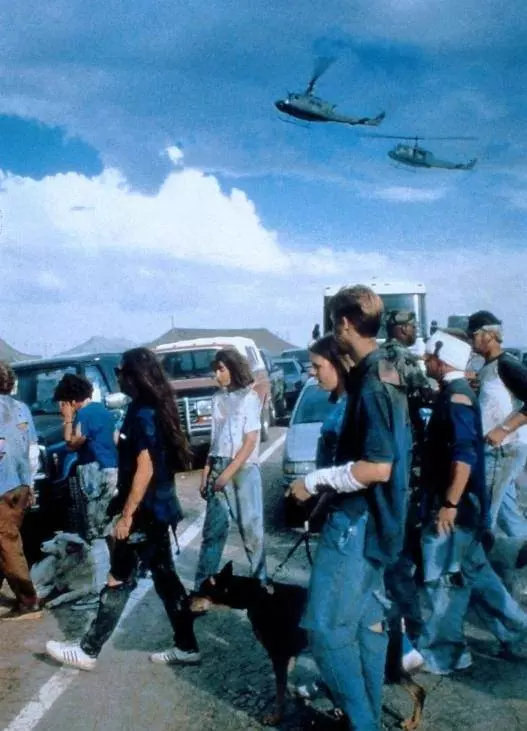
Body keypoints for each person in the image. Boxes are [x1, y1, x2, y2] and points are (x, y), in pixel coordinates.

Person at [289, 285, 408, 731]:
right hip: (380, 523)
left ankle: (363, 724)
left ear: (343, 323)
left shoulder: (372, 384)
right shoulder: (385, 372)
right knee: (365, 624)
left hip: (358, 522)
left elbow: (377, 467)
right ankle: (368, 718)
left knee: (324, 631)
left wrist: (313, 482)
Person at [46, 347, 200, 669]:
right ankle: (187, 646)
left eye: (120, 371)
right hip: (159, 507)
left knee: (119, 577)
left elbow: (146, 466)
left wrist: (127, 516)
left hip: (146, 511)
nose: (116, 377)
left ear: (134, 375)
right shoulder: (149, 407)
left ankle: (88, 650)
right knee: (165, 577)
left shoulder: (143, 413)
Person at [418, 331, 527, 675]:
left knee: (442, 582)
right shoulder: (453, 393)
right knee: (479, 578)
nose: (425, 362)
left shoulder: (457, 398)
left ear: (441, 360)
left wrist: (450, 504)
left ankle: (446, 654)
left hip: (456, 509)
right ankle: (521, 635)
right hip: (463, 507)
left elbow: (464, 456)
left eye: (429, 358)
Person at [193, 348, 266, 592]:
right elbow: (215, 439)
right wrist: (206, 472)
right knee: (212, 533)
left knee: (251, 532)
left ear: (234, 369)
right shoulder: (217, 399)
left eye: (221, 369)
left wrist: (227, 475)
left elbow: (250, 441)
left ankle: (261, 584)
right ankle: (202, 588)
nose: (217, 375)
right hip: (218, 465)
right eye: (215, 370)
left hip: (243, 470)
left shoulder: (249, 398)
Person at [52, 373, 119, 608]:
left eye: (63, 403)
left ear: (71, 400)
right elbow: (113, 438)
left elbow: (72, 443)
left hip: (95, 472)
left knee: (95, 534)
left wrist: (68, 420)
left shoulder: (84, 414)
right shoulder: (102, 410)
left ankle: (98, 590)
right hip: (111, 469)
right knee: (108, 528)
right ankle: (117, 575)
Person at [467, 311, 527, 538]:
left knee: (482, 511)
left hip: (503, 449)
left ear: (489, 335)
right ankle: (522, 544)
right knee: (507, 512)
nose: (471, 341)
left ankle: (475, 557)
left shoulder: (507, 364)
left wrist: (504, 429)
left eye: (473, 335)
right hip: (495, 449)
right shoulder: (488, 366)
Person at [0, 361, 41, 620]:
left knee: (8, 544)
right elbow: (33, 450)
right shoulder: (21, 408)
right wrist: (31, 484)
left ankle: (28, 600)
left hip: (2, 488)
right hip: (21, 485)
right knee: (7, 539)